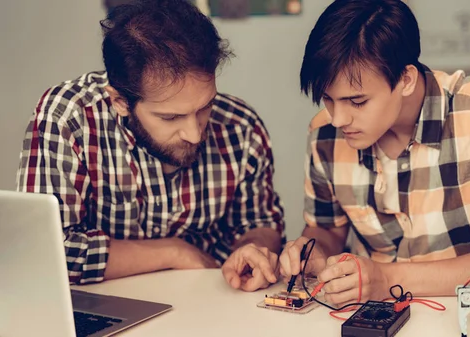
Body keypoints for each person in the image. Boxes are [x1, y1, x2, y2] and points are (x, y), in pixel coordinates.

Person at [279, 0, 470, 306]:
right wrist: (313, 250)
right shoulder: (325, 133)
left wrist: (386, 279)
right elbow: (327, 228)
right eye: (328, 99)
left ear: (405, 80)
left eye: (357, 102)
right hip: (369, 315)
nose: (338, 118)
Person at [16, 0, 285, 292]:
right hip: (102, 306)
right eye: (170, 117)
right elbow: (48, 251)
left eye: (206, 106)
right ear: (120, 102)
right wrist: (172, 252)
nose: (194, 134)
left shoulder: (240, 126)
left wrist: (252, 250)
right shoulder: (69, 118)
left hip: (213, 301)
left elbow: (261, 222)